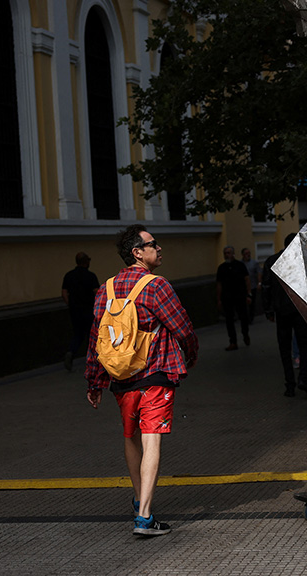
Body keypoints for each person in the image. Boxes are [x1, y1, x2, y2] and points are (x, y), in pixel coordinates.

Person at [84, 224, 199, 536]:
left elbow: (96, 337)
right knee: (152, 438)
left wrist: (95, 381)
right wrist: (190, 353)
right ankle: (145, 517)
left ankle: (139, 499)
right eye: (153, 244)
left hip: (121, 377)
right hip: (155, 373)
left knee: (130, 437)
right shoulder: (156, 286)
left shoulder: (105, 289)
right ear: (137, 252)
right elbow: (183, 327)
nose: (159, 249)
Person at [263, 234, 307, 397]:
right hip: (300, 310)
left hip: (281, 312)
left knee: (285, 348)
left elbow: (266, 287)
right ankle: (304, 379)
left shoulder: (272, 260)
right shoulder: (302, 261)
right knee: (305, 346)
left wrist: (268, 310)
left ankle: (290, 384)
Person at [61, 252, 99, 371]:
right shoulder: (90, 276)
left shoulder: (69, 275)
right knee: (91, 335)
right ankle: (92, 360)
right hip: (89, 310)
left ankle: (71, 352)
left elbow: (64, 293)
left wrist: (70, 305)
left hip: (75, 311)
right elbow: (97, 292)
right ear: (86, 262)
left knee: (77, 334)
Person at [216, 246, 251, 351]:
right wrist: (219, 299)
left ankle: (245, 333)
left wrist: (248, 294)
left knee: (243, 317)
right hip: (227, 298)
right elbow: (219, 284)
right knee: (229, 320)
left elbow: (247, 280)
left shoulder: (240, 266)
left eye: (229, 253)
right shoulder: (221, 268)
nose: (227, 255)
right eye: (225, 253)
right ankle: (233, 341)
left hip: (240, 296)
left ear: (233, 254)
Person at [241, 247, 261, 324]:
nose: (248, 255)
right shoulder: (241, 264)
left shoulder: (254, 263)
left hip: (253, 286)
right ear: (243, 255)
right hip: (243, 287)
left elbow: (259, 273)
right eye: (246, 253)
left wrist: (259, 283)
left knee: (252, 303)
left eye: (249, 253)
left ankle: (251, 318)